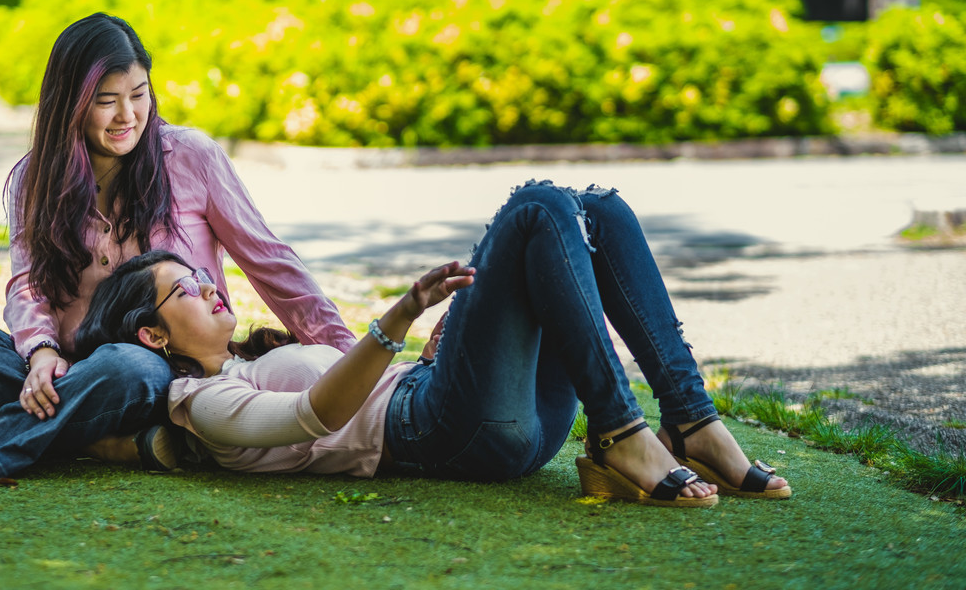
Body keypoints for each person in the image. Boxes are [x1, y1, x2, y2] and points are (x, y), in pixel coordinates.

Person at [0, 12, 355, 479]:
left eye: (139, 94)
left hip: (165, 372)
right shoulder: (36, 178)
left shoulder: (191, 157)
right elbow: (28, 284)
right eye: (105, 100)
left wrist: (349, 356)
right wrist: (42, 355)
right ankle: (110, 442)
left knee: (126, 365)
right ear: (70, 103)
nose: (127, 116)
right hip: (73, 367)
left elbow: (270, 262)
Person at [74, 180, 792, 506]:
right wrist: (399, 319)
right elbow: (313, 419)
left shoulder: (245, 359)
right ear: (151, 335)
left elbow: (354, 395)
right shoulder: (200, 403)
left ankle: (692, 422)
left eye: (202, 277)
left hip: (474, 409)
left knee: (597, 210)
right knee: (537, 210)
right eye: (185, 293)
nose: (209, 288)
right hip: (448, 430)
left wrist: (431, 356)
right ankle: (623, 430)